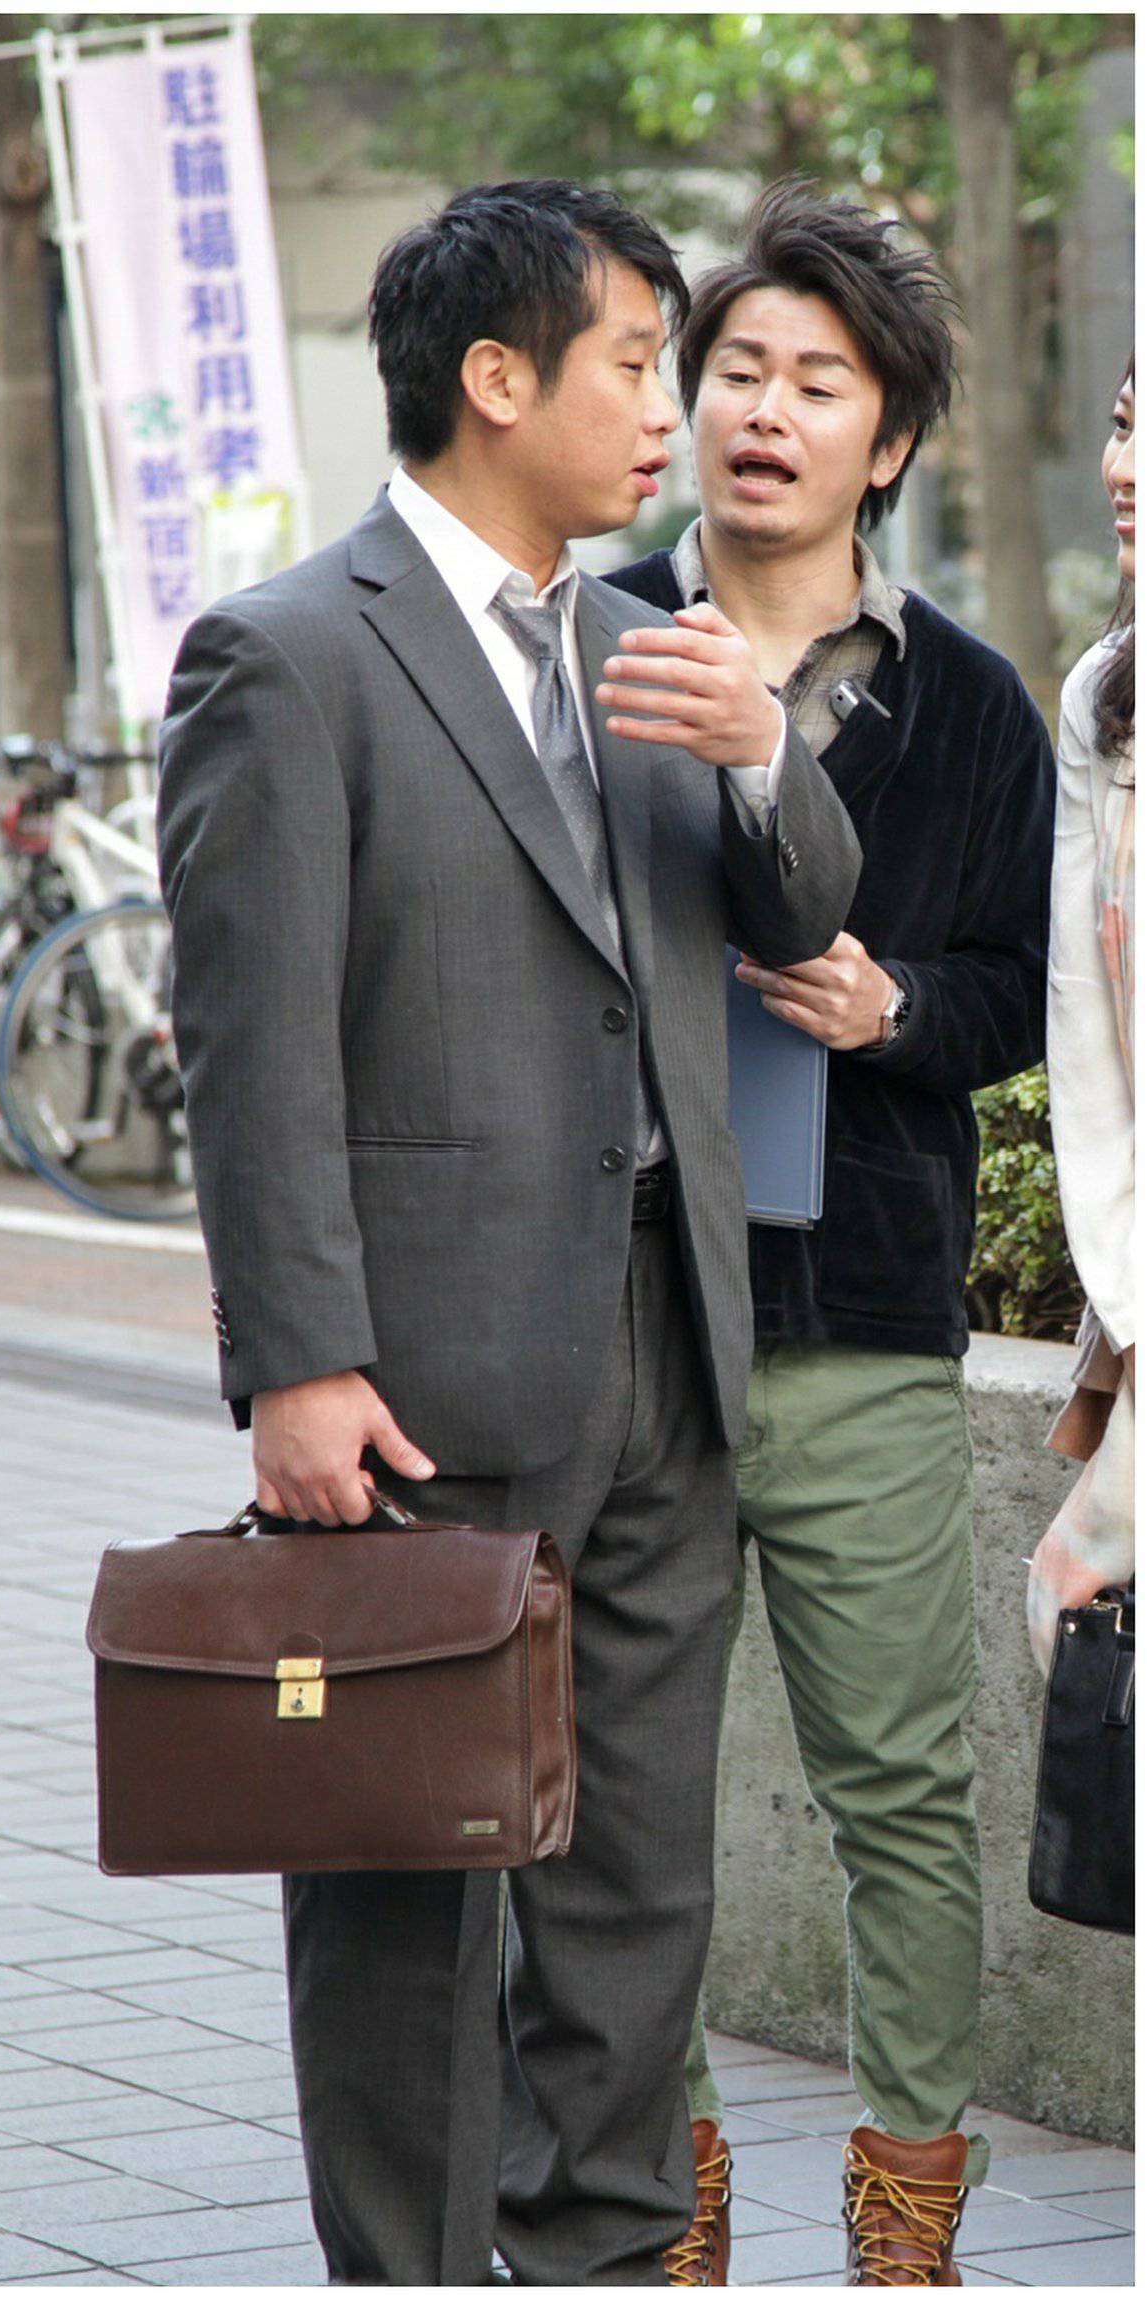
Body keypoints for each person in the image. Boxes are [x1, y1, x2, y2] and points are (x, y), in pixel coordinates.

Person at [157, 178, 860, 2289]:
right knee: (402, 1881)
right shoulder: (290, 655)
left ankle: (602, 2257)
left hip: (668, 1346)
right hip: (414, 1383)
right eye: (635, 365)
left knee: (637, 1885)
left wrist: (761, 749)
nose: (668, 411)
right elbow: (251, 1046)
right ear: (493, 378)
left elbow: (803, 908)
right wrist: (294, 1363)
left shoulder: (648, 648)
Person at [602, 181, 1055, 2285]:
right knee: (624, 1799)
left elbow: (1015, 999)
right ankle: (665, 2205)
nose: (763, 412)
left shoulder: (969, 704)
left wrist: (892, 1014)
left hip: (860, 1317)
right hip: (625, 1315)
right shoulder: (581, 641)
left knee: (900, 1787)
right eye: (735, 372)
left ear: (890, 441)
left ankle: (903, 2218)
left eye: (817, 383)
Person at [1028, 359, 1135, 1665]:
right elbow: (1083, 1028)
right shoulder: (1106, 698)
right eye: (1119, 426)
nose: (1122, 467)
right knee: (1070, 1618)